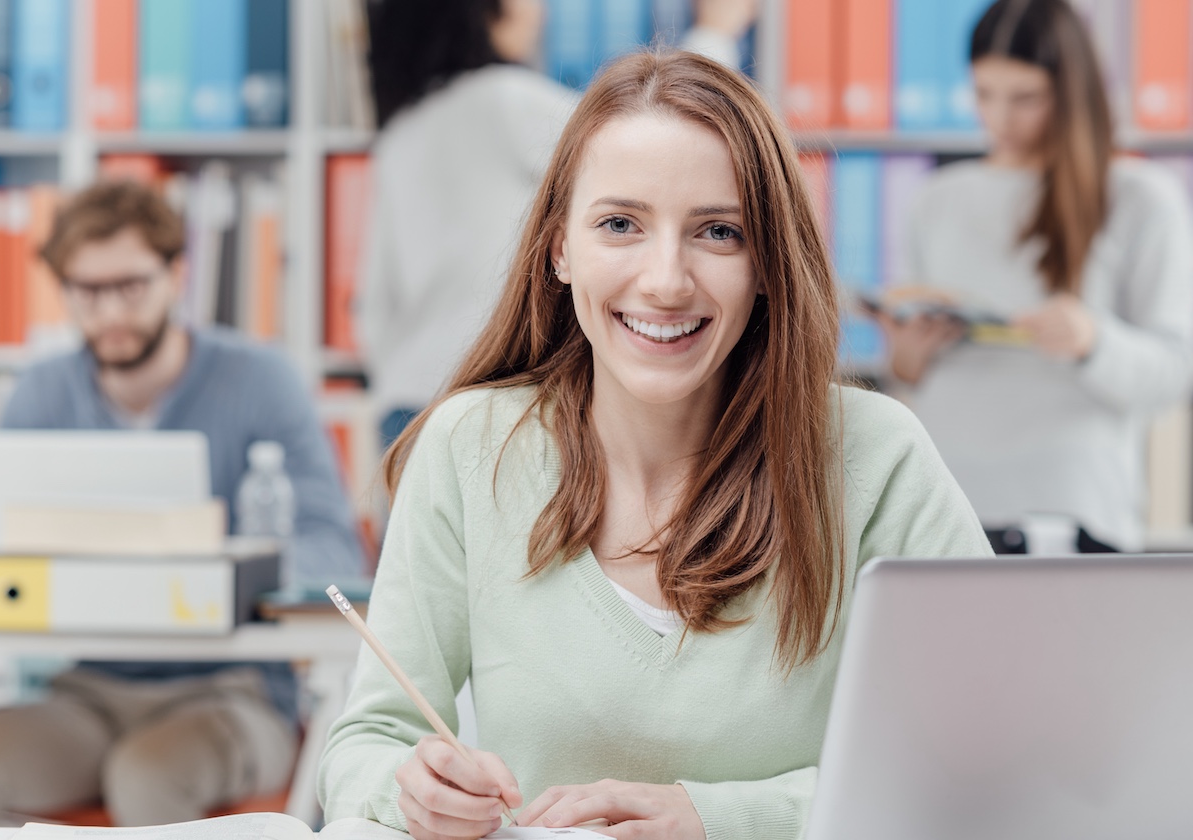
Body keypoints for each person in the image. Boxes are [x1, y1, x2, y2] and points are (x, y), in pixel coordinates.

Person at [318, 50, 990, 840]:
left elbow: (985, 758)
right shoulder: (470, 447)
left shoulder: (877, 458)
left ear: (768, 264)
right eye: (620, 225)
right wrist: (411, 792)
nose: (666, 281)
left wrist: (720, 818)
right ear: (559, 249)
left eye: (719, 232)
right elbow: (367, 744)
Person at [0, 179, 364, 827]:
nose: (111, 311)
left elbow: (333, 550)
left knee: (146, 774)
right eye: (87, 291)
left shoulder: (261, 381)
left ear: (177, 275)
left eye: (132, 286)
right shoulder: (40, 396)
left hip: (234, 689)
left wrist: (226, 563)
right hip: (91, 690)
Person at [360, 0, 760, 448]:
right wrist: (715, 34)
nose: (542, 12)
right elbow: (650, 138)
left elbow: (375, 308)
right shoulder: (503, 100)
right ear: (485, 11)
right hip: (484, 399)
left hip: (402, 407)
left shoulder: (401, 131)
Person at [882, 0, 1193, 553]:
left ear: (1072, 94)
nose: (1000, 118)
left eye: (1025, 98)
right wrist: (908, 356)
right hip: (948, 505)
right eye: (984, 94)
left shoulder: (1140, 197)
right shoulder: (936, 199)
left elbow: (1175, 371)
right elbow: (909, 375)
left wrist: (1093, 341)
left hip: (1074, 509)